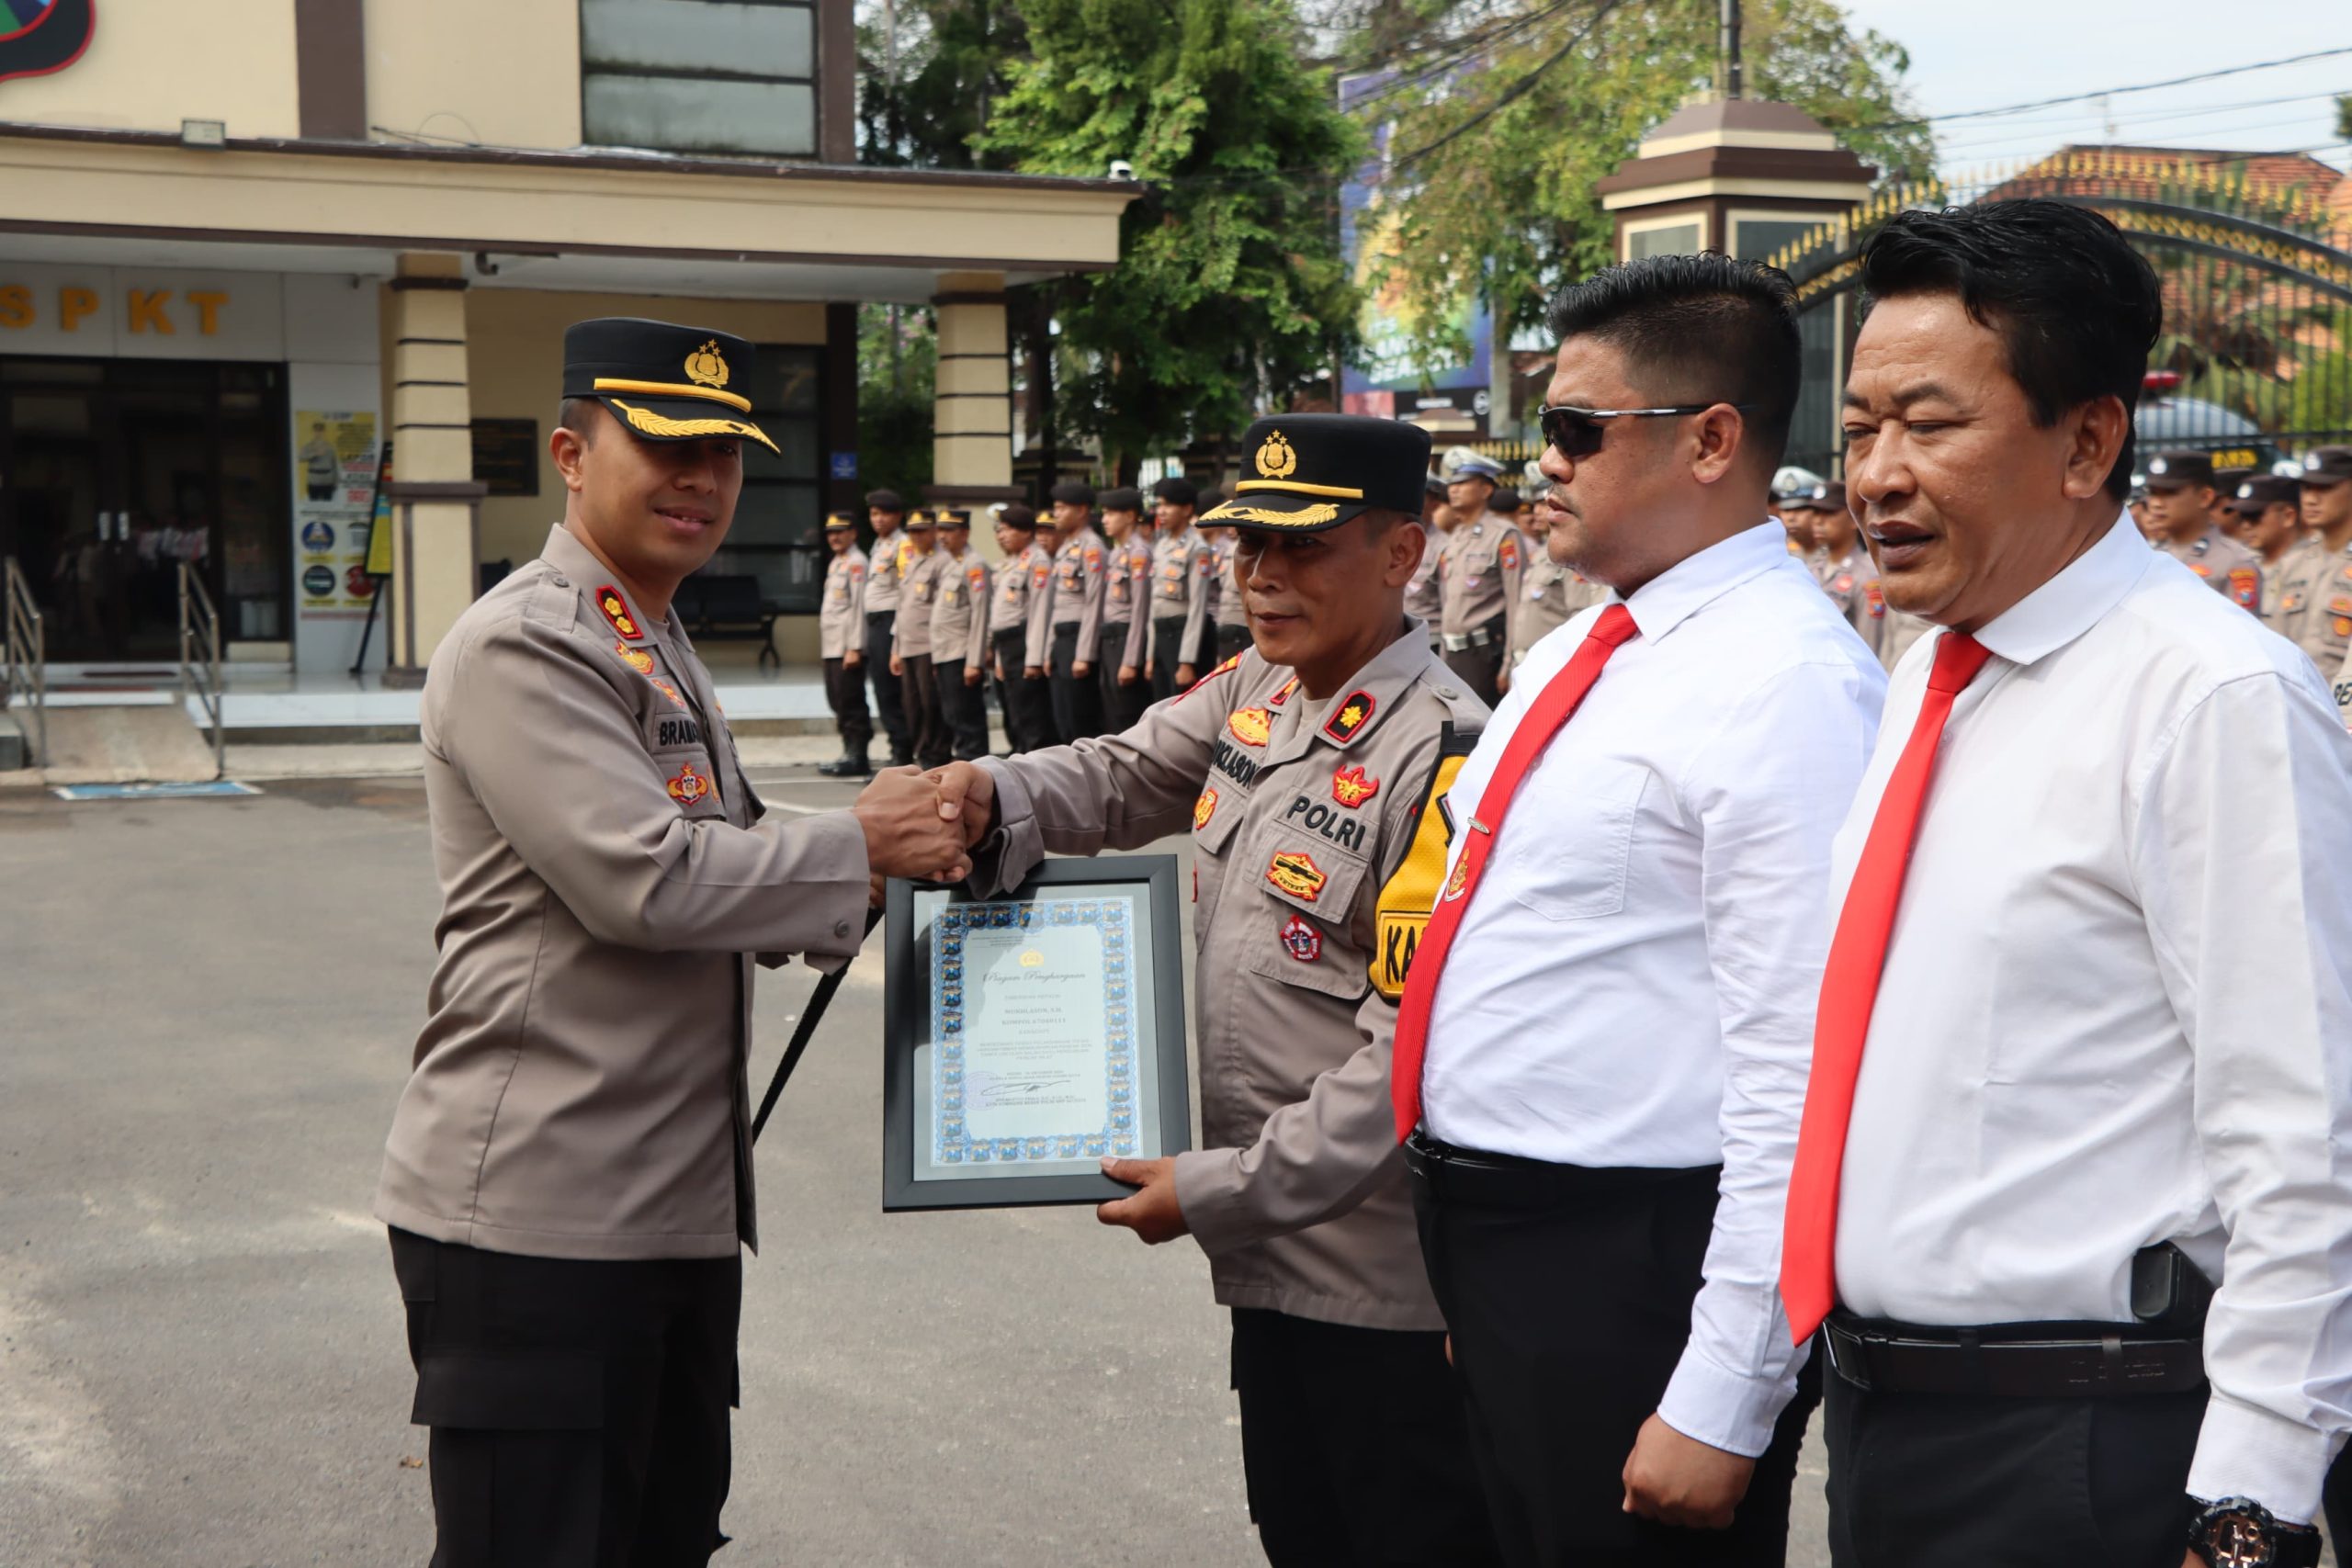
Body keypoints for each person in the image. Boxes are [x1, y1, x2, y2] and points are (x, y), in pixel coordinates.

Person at [1781, 198, 2352, 1568]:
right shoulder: (1933, 673)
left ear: (2089, 440)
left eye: (1930, 423)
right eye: (1861, 428)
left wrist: (2252, 1496)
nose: (1877, 473)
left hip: (2094, 1453)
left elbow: (2308, 1134)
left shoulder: (2211, 696)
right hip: (1893, 1424)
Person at [372, 318, 968, 1568]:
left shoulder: (649, 634)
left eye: (727, 453)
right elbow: (643, 879)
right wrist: (863, 844)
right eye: (667, 446)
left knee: (658, 1534)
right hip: (538, 1218)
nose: (702, 477)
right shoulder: (527, 640)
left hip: (664, 1210)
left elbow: (736, 847)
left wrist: (908, 852)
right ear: (571, 455)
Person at [934, 412, 1499, 1568]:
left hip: (1379, 1291)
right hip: (1269, 1270)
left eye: (1301, 548)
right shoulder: (1260, 683)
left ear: (1400, 553)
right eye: (1249, 546)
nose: (1260, 575)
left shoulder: (1447, 755)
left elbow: (1407, 1062)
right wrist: (980, 794)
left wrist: (1221, 1188)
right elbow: (1125, 770)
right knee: (1300, 1532)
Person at [1394, 254, 1879, 1568]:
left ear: (1711, 437)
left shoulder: (1786, 685)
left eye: (1574, 429)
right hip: (1514, 1253)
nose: (1541, 461)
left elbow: (1801, 1070)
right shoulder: (1590, 642)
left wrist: (1727, 1389)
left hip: (1637, 1267)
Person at [1434, 452, 1525, 705]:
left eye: (1463, 483)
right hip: (1451, 653)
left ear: (1485, 489)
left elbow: (1516, 601)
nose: (1454, 490)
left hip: (1483, 655)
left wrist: (1509, 663)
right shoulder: (1454, 537)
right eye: (1452, 484)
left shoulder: (1503, 535)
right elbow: (1447, 604)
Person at [1502, 486, 1608, 684]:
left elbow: (1579, 613)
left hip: (1550, 666)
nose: (1538, 512)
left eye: (1545, 504)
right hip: (1522, 662)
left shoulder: (1572, 554)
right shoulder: (1542, 552)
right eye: (1536, 505)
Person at [2144, 450, 2264, 612]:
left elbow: (2239, 633)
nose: (2157, 503)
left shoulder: (2234, 561)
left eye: (2170, 493)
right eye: (2153, 493)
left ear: (2205, 497)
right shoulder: (2148, 558)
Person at [989, 503, 1057, 754]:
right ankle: (1019, 756)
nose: (1000, 535)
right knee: (1013, 711)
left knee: (1031, 714)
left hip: (1023, 643)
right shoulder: (1012, 562)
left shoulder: (1037, 560)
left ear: (1026, 532)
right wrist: (997, 656)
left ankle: (1034, 765)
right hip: (1006, 645)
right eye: (999, 530)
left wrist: (1034, 659)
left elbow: (1040, 612)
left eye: (1007, 529)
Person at [1045, 480, 1107, 742]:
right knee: (1062, 718)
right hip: (1062, 639)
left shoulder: (1092, 547)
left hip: (1077, 638)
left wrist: (1084, 654)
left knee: (1080, 720)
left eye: (1061, 508)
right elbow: (1056, 604)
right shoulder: (1065, 549)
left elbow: (1095, 601)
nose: (1055, 513)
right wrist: (1049, 648)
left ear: (1081, 511)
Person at [928, 508, 992, 761]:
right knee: (953, 715)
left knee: (967, 717)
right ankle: (964, 763)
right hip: (945, 652)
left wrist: (974, 661)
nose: (942, 536)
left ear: (965, 533)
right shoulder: (948, 564)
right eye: (940, 530)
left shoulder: (974, 565)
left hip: (962, 653)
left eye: (949, 530)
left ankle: (974, 766)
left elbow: (981, 614)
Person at [816, 510, 874, 778]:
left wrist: (855, 646)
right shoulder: (837, 562)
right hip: (832, 644)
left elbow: (859, 606)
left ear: (853, 533)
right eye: (831, 532)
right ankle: (847, 750)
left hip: (846, 645)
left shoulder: (857, 563)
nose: (834, 537)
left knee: (850, 700)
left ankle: (857, 754)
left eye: (840, 532)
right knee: (837, 699)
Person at [1146, 475, 1215, 701]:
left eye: (1168, 505)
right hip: (1162, 635)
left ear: (1186, 509)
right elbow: (1155, 604)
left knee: (1180, 703)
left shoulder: (1197, 548)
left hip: (1182, 634)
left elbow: (1198, 606)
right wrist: (1150, 654)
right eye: (1158, 505)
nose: (1161, 511)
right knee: (1159, 704)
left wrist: (1187, 661)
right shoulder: (1162, 545)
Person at [862, 488, 917, 765]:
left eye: (885, 513)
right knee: (882, 689)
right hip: (875, 622)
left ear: (898, 516)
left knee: (891, 690)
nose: (878, 519)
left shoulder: (902, 544)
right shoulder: (879, 544)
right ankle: (897, 747)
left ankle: (902, 751)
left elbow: (906, 588)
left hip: (890, 622)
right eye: (874, 514)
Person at [890, 510, 947, 770]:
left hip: (929, 645)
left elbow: (943, 612)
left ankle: (935, 756)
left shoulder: (943, 562)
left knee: (930, 703)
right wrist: (896, 649)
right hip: (908, 644)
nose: (916, 536)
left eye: (922, 530)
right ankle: (922, 754)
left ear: (934, 531)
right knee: (911, 704)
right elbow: (902, 610)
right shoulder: (911, 562)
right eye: (912, 531)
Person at [1096, 486, 1155, 730]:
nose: (1104, 520)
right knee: (1110, 713)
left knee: (1127, 715)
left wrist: (1131, 660)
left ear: (1130, 516)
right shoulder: (1115, 553)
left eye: (1110, 513)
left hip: (1125, 639)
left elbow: (1141, 609)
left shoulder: (1139, 552)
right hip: (1109, 638)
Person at [2229, 475, 2312, 628]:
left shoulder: (2315, 567)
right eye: (2242, 517)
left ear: (2288, 516)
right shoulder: (2242, 565)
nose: (2246, 526)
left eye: (2255, 516)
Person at [1404, 474, 1448, 638]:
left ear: (1434, 504)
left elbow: (1449, 602)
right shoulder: (1390, 538)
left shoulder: (1444, 545)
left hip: (1430, 638)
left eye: (1418, 496)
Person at [1206, 516, 1254, 662]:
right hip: (1224, 624)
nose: (1230, 528)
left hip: (1243, 626)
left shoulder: (1254, 550)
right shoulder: (1227, 550)